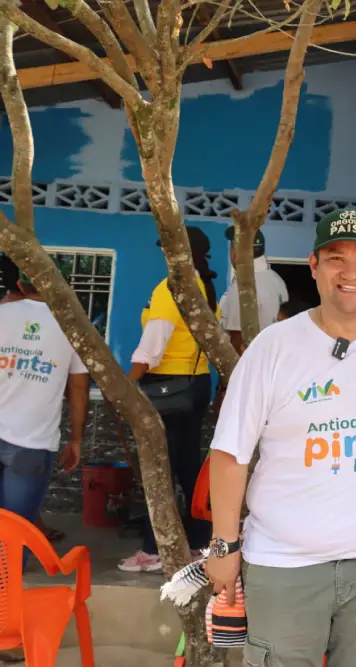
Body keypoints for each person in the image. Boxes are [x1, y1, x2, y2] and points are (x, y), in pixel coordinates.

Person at [205, 206, 356, 667]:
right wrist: (223, 546)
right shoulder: (272, 348)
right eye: (336, 258)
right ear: (313, 266)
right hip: (282, 566)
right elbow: (230, 453)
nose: (351, 273)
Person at [118, 225, 219, 573]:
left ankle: (153, 549)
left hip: (166, 388)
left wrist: (127, 389)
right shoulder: (205, 286)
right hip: (196, 384)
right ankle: (198, 542)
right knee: (188, 467)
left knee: (158, 470)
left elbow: (151, 347)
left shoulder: (171, 287)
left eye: (169, 248)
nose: (164, 253)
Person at [0, 268, 88, 528]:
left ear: (20, 284)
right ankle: (8, 569)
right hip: (32, 442)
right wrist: (76, 439)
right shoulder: (72, 326)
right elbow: (79, 388)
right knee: (17, 528)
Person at [218, 226, 288, 354]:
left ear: (234, 253)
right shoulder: (276, 280)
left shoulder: (243, 286)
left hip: (249, 363)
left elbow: (237, 337)